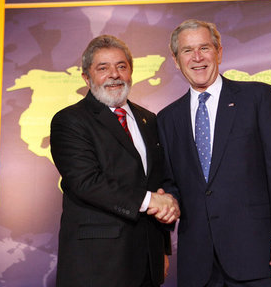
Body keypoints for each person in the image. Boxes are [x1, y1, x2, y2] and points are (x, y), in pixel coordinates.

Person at [157, 19, 271, 286]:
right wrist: (168, 206)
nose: (197, 58)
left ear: (219, 52)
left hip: (257, 258)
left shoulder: (258, 98)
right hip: (197, 266)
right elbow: (171, 184)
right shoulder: (166, 119)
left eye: (204, 48)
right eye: (187, 51)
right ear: (176, 60)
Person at [50, 34, 180, 287]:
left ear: (131, 72)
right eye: (103, 68)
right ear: (86, 78)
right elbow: (86, 182)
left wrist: (162, 249)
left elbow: (158, 181)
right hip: (97, 265)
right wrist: (150, 200)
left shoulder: (150, 120)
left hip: (147, 262)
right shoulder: (70, 120)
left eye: (122, 66)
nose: (114, 74)